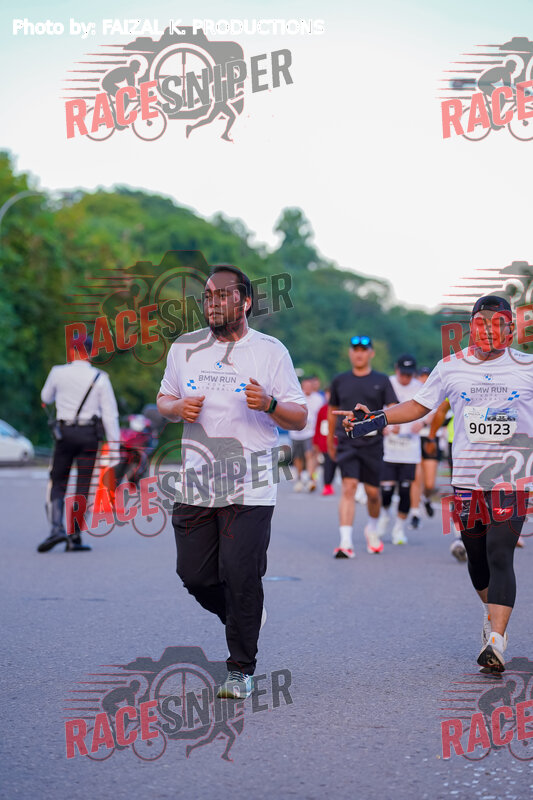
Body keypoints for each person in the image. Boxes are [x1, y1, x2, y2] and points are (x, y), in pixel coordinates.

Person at [338, 296, 533, 673]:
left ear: (511, 328)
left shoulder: (527, 367)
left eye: (499, 323)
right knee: (477, 559)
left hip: (513, 478)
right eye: (482, 323)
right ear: (471, 327)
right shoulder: (451, 366)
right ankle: (491, 614)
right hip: (467, 480)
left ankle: (497, 639)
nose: (490, 330)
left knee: (500, 553)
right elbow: (418, 405)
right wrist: (377, 418)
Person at [156, 265, 307, 700]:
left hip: (251, 483)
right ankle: (246, 615)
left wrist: (270, 403)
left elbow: (299, 417)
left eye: (223, 295)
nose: (213, 303)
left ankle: (240, 669)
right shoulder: (185, 348)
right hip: (197, 482)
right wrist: (177, 408)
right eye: (208, 296)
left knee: (240, 575)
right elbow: (164, 398)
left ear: (245, 301)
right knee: (195, 576)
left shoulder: (270, 351)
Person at [38, 336, 120, 553]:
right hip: (89, 435)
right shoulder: (100, 378)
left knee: (58, 480)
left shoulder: (57, 372)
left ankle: (56, 529)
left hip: (64, 434)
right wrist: (114, 447)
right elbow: (110, 414)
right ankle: (74, 536)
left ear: (71, 351)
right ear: (92, 352)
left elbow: (45, 397)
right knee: (83, 485)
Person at [328, 335, 398, 558]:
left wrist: (391, 425)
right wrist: (329, 441)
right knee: (348, 487)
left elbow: (393, 407)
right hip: (347, 442)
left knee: (373, 493)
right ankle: (345, 542)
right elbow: (332, 411)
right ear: (350, 353)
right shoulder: (340, 380)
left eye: (363, 350)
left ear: (371, 353)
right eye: (355, 349)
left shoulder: (382, 380)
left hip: (373, 443)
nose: (359, 354)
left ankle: (372, 529)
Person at [377, 355, 424, 546]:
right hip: (390, 447)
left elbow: (433, 409)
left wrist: (423, 423)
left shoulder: (419, 387)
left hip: (410, 448)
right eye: (402, 374)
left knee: (405, 490)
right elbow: (377, 408)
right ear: (396, 370)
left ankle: (399, 528)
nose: (405, 378)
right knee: (386, 490)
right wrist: (383, 426)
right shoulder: (387, 383)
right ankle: (385, 514)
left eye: (409, 374)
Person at [426, 399, 468, 562]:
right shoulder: (459, 383)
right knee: (461, 490)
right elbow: (442, 410)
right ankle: (460, 538)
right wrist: (431, 437)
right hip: (458, 442)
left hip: (493, 444)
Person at [289, 377, 323, 492]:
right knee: (298, 457)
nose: (308, 388)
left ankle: (310, 479)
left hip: (310, 432)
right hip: (296, 432)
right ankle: (299, 479)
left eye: (309, 386)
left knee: (310, 455)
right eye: (305, 386)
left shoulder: (318, 399)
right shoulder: (296, 397)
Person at [313, 388, 338, 495]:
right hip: (325, 443)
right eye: (328, 394)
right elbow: (318, 426)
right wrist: (316, 442)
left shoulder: (340, 408)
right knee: (328, 464)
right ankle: (327, 485)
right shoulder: (322, 409)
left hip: (340, 442)